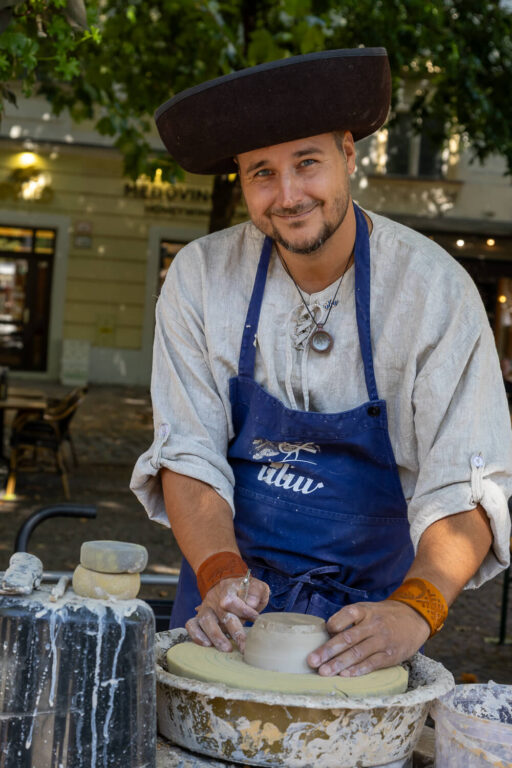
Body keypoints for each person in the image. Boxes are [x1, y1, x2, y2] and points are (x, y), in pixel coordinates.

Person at [131, 48, 512, 678]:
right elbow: (187, 452)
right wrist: (222, 574)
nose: (288, 195)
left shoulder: (433, 291)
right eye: (262, 173)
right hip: (228, 605)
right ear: (241, 180)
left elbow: (466, 483)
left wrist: (415, 609)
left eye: (307, 163)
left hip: (371, 618)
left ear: (348, 155)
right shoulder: (199, 278)